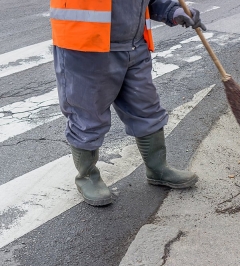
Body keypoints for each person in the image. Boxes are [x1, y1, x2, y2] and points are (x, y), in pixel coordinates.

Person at [50, 0, 207, 206]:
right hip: (86, 48)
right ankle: (87, 176)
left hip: (134, 47)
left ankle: (157, 168)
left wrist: (174, 11)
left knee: (146, 108)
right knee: (87, 117)